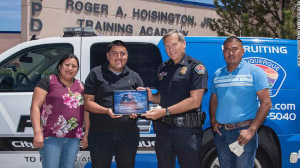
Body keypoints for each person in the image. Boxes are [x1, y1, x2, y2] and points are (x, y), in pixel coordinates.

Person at [141, 30, 208, 168]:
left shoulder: (195, 67)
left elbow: (194, 100)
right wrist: (151, 97)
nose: (170, 49)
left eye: (174, 44)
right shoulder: (163, 67)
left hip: (186, 131)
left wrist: (164, 112)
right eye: (167, 46)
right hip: (164, 131)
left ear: (183, 44)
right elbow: (163, 97)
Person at [209, 36, 272, 168]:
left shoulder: (255, 72)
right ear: (223, 52)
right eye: (227, 49)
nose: (230, 53)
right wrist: (213, 120)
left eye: (234, 49)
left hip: (243, 133)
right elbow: (214, 98)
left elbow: (266, 103)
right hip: (222, 133)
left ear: (242, 51)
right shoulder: (217, 74)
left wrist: (251, 130)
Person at [84, 40, 143, 168]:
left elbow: (140, 103)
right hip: (101, 134)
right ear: (107, 55)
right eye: (115, 53)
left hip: (128, 134)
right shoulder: (95, 73)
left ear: (127, 56)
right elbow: (88, 104)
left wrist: (136, 113)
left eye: (122, 54)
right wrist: (107, 111)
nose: (119, 57)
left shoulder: (135, 77)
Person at [30, 53, 88, 168]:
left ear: (77, 69)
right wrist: (37, 133)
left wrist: (86, 133)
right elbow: (35, 107)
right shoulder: (49, 81)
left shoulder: (81, 85)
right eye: (67, 65)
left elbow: (86, 110)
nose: (70, 68)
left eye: (74, 66)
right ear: (59, 66)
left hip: (73, 139)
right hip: (51, 138)